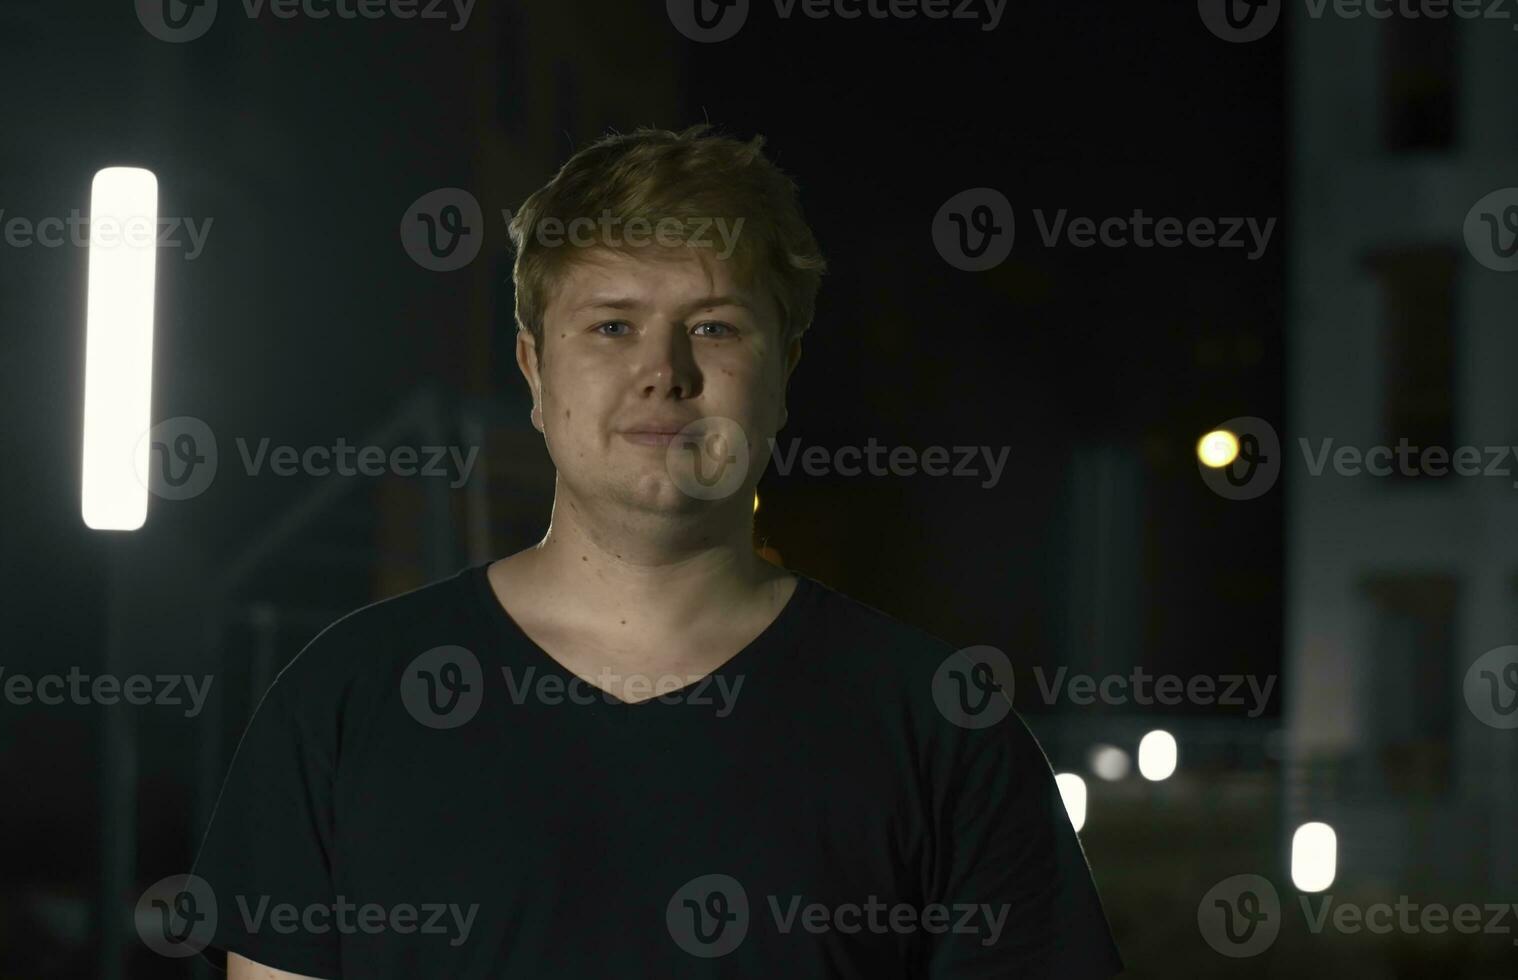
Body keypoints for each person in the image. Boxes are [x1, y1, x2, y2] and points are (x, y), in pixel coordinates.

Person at [188, 124, 1123, 978]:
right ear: (533, 369)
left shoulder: (944, 729)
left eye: (714, 327)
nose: (663, 372)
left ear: (785, 370)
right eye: (611, 326)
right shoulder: (347, 700)